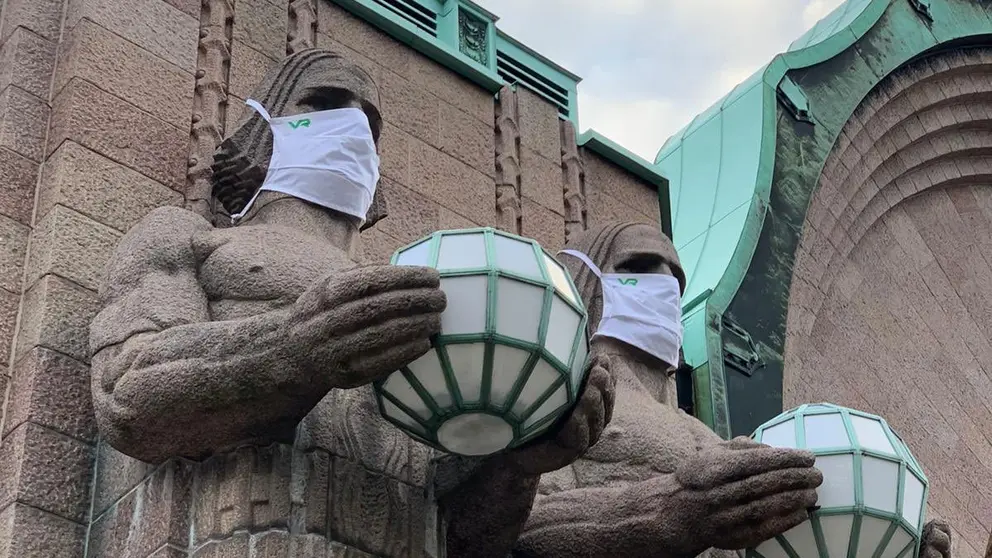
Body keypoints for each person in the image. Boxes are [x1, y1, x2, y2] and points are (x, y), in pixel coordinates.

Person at [88, 49, 612, 558]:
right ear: (263, 128)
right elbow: (126, 393)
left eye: (371, 122)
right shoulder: (188, 237)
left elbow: (460, 533)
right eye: (324, 102)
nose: (355, 126)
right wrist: (292, 349)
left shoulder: (407, 295)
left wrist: (518, 460)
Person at [513, 221, 952, 558]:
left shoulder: (706, 436)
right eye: (638, 268)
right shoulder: (556, 396)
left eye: (675, 280)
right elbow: (512, 527)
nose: (664, 285)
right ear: (582, 279)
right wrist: (672, 510)